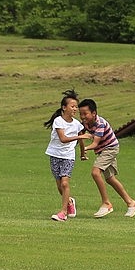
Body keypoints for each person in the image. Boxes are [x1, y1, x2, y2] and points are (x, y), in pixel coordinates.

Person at [78, 99, 135, 218]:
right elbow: (80, 135)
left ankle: (106, 204)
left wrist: (85, 149)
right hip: (103, 150)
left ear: (94, 113)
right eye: (81, 114)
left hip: (110, 148)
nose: (82, 116)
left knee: (95, 173)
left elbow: (95, 143)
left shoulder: (100, 124)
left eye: (85, 113)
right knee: (110, 179)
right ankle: (131, 203)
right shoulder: (85, 123)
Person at [44, 89, 92, 222]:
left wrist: (82, 154)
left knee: (65, 183)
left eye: (76, 106)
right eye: (72, 106)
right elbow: (63, 139)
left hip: (68, 156)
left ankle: (63, 212)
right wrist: (81, 135)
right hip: (54, 154)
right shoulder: (58, 121)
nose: (75, 109)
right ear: (64, 107)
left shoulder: (77, 124)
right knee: (60, 186)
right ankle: (70, 202)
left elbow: (80, 141)